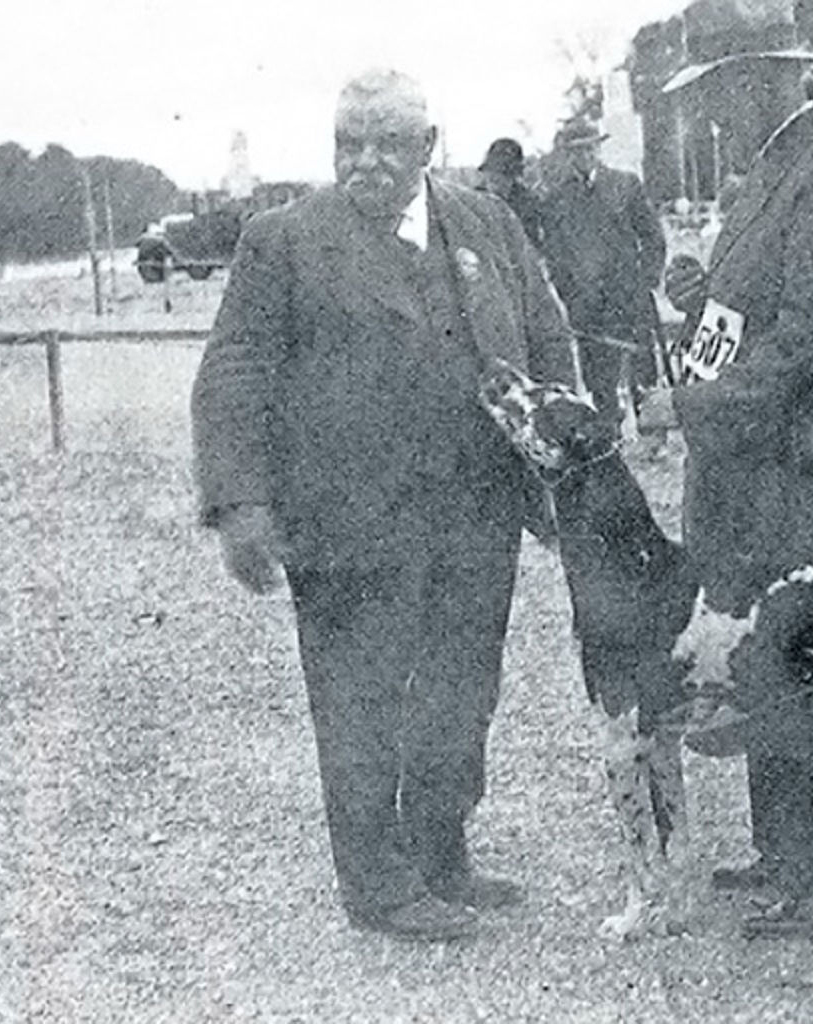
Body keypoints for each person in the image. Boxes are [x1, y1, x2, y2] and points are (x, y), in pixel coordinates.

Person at [189, 68, 572, 942]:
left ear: (428, 148)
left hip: (476, 514)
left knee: (461, 691)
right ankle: (378, 884)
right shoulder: (281, 241)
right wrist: (242, 504)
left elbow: (547, 338)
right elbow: (233, 373)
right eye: (347, 143)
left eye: (386, 144)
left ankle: (442, 854)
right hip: (347, 524)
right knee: (361, 704)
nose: (364, 161)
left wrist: (562, 466)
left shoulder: (489, 223)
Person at [657, 30, 813, 938]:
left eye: (723, 85)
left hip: (808, 468)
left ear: (777, 79)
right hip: (764, 469)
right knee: (768, 647)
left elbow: (810, 342)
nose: (709, 105)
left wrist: (688, 408)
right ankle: (787, 850)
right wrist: (702, 294)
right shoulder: (775, 167)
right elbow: (762, 308)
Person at [536, 118, 667, 430]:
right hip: (588, 302)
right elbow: (555, 257)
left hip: (628, 295)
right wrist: (572, 297)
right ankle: (610, 432)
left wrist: (646, 280)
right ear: (567, 155)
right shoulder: (556, 199)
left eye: (589, 149)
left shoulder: (625, 185)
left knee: (641, 365)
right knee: (599, 373)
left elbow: (652, 237)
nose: (584, 157)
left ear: (598, 148)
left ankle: (652, 432)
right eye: (575, 151)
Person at [476, 137, 543, 246]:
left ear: (514, 175)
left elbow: (531, 243)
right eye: (491, 170)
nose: (494, 177)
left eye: (503, 172)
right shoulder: (474, 200)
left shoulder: (527, 203)